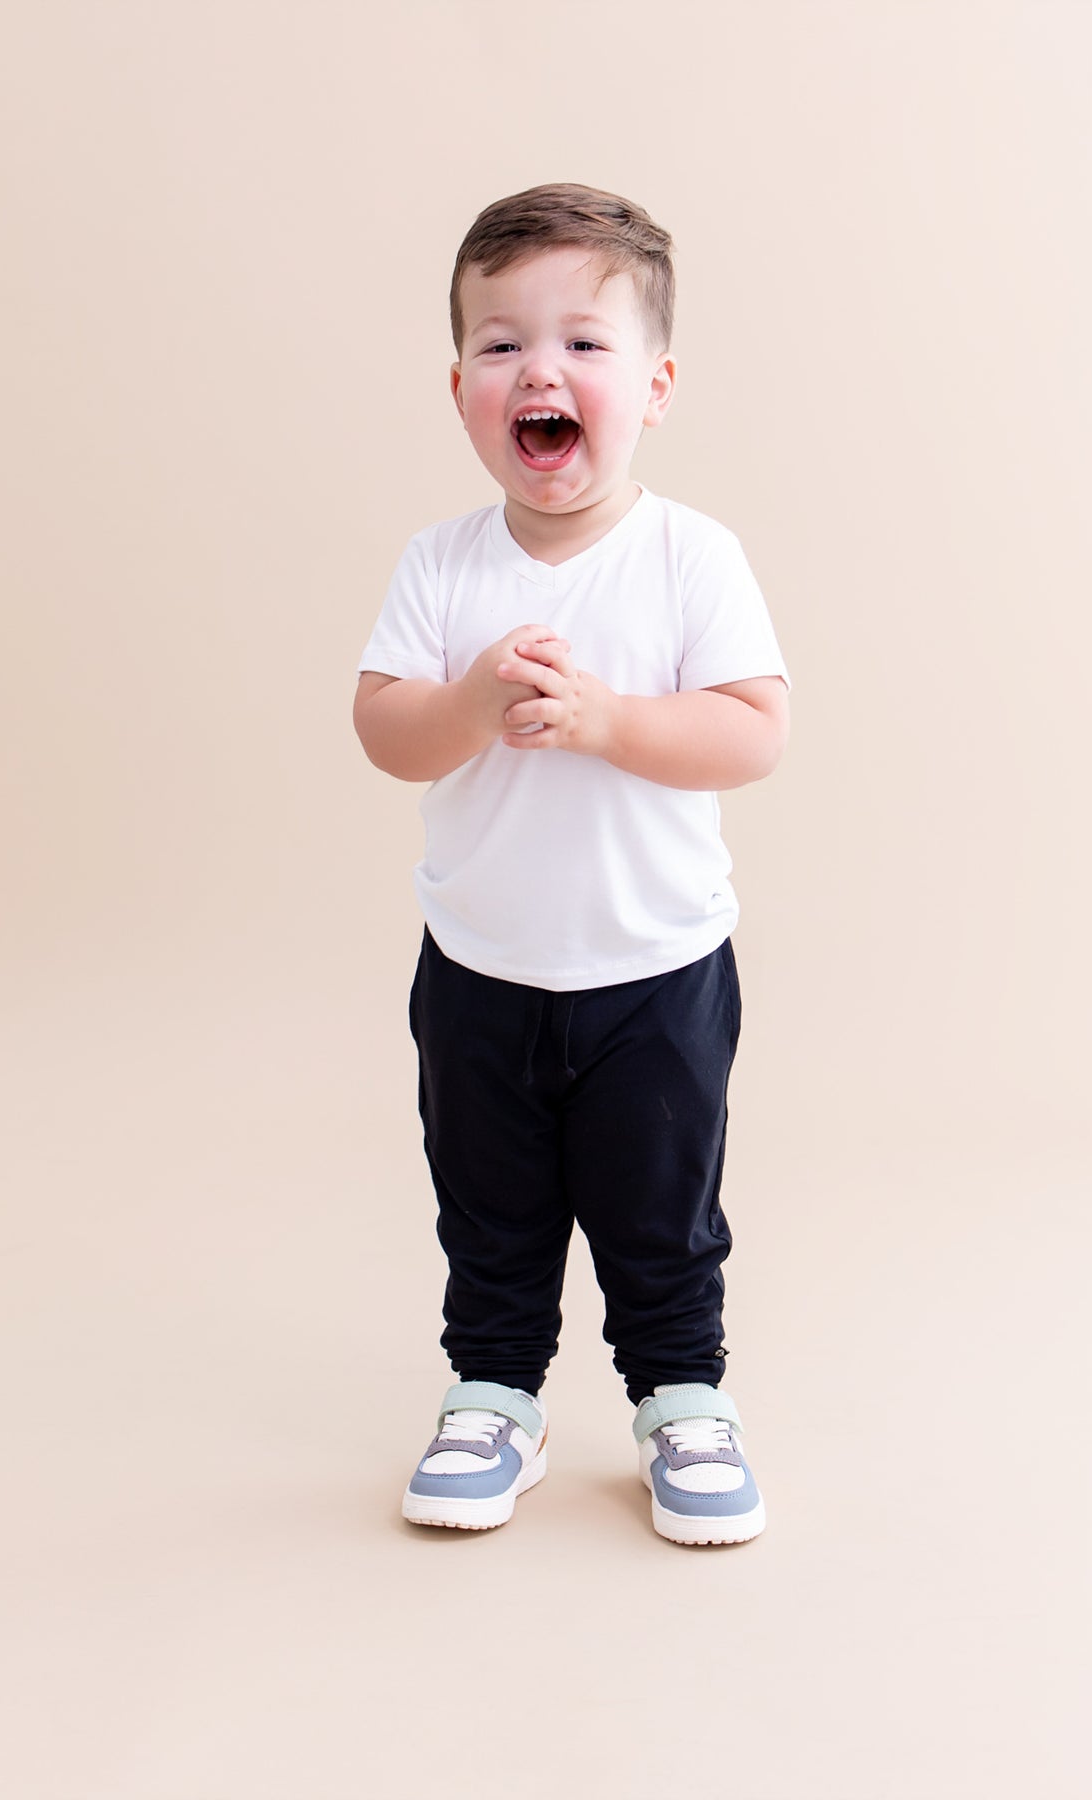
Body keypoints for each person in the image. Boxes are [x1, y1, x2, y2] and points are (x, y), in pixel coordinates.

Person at [352, 183, 790, 1546]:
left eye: (584, 343)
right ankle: (494, 1392)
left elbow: (753, 730)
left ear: (653, 386)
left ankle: (683, 1397)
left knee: (663, 1206)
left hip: (655, 970)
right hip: (481, 970)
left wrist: (605, 722)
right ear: (462, 391)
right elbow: (385, 731)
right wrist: (472, 701)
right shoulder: (443, 567)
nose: (540, 370)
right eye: (502, 344)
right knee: (491, 1203)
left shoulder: (690, 558)